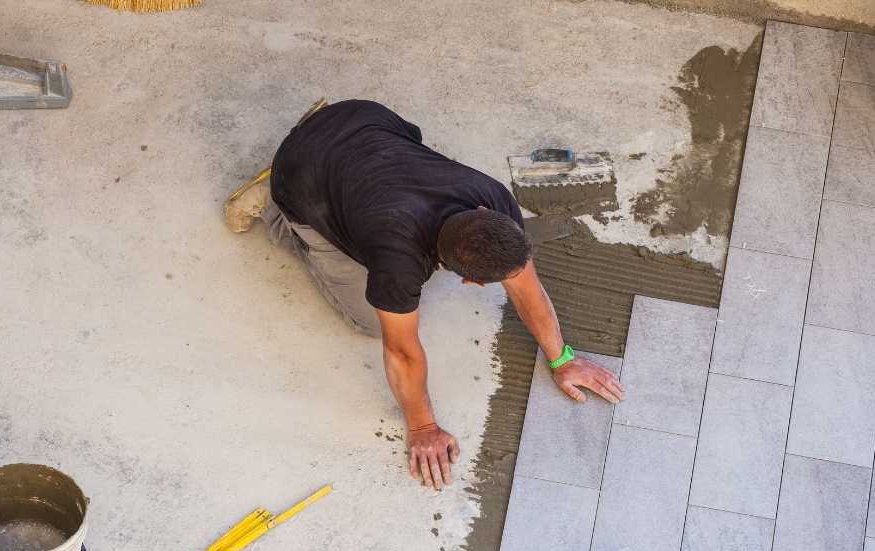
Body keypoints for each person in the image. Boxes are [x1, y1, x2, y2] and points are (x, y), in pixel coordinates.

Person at [225, 99, 624, 490]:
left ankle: (321, 138)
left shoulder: (495, 201)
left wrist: (562, 358)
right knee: (369, 321)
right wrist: (422, 427)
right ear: (469, 282)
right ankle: (273, 205)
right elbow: (402, 352)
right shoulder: (398, 262)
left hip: (359, 117)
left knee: (381, 187)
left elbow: (527, 290)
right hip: (300, 171)